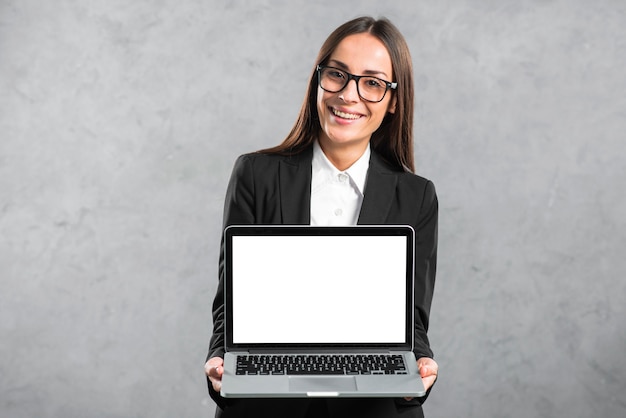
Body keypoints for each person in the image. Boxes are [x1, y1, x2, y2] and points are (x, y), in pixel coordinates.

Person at [205, 16, 439, 418]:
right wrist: (219, 359)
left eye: (372, 82)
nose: (349, 95)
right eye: (337, 75)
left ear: (394, 100)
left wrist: (417, 368)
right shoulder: (256, 174)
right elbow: (231, 305)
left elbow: (411, 321)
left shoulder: (416, 197)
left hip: (373, 405)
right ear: (319, 79)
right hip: (268, 399)